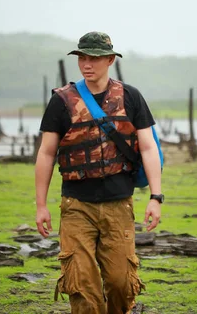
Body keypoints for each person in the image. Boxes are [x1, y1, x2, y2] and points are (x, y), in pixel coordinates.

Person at [35, 31, 163, 314]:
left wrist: (156, 196)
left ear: (109, 60)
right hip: (76, 206)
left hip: (118, 204)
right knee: (81, 284)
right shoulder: (62, 101)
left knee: (120, 282)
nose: (86, 64)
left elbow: (148, 148)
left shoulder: (130, 97)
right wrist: (41, 205)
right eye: (82, 57)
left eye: (93, 58)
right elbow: (46, 153)